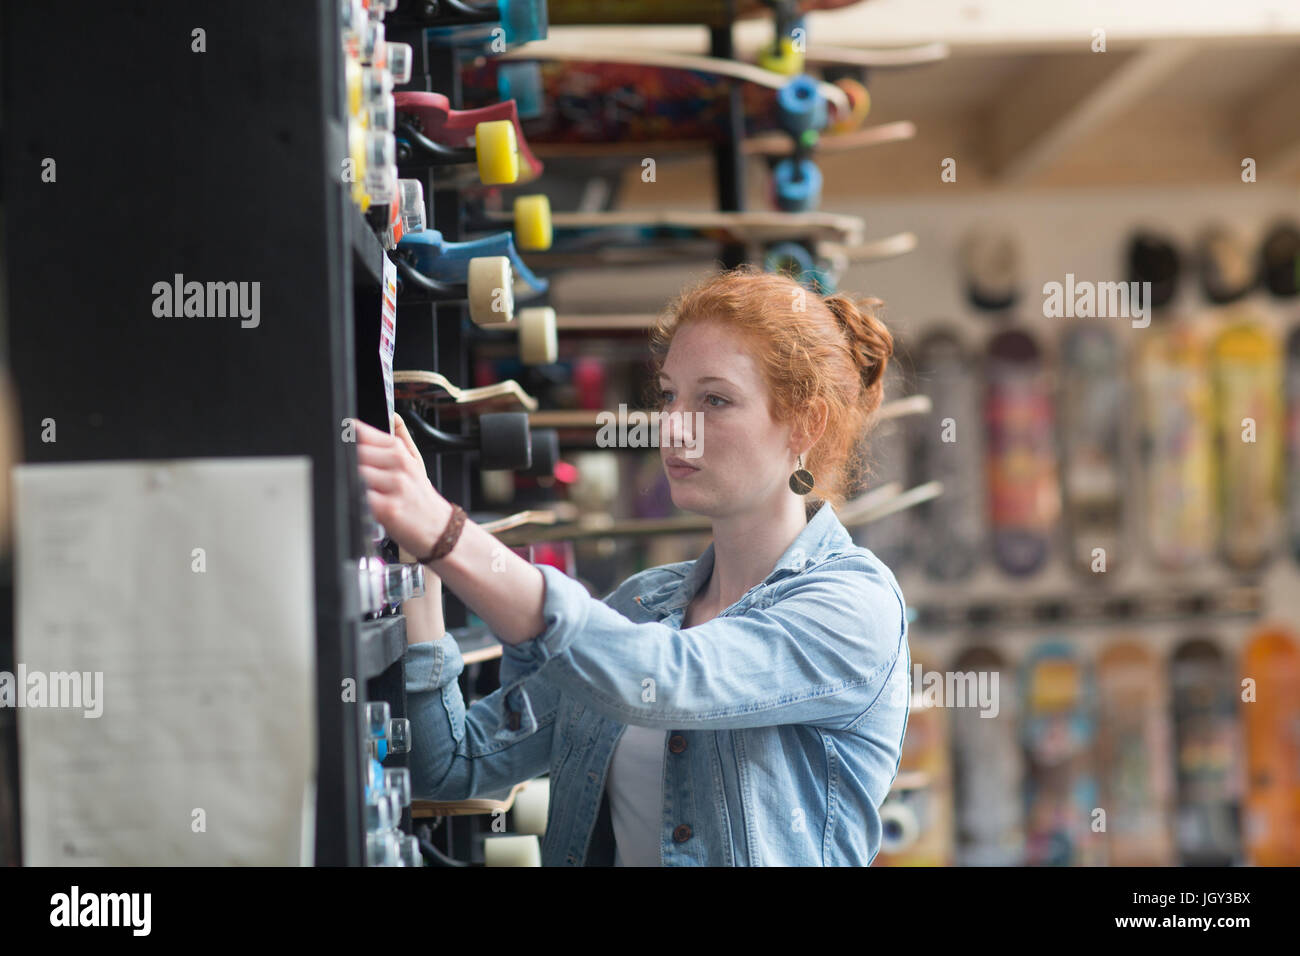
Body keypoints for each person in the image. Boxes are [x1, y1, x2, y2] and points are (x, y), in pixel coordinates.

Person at [354, 265, 911, 866]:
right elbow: (452, 766)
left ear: (804, 424)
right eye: (670, 395)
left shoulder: (854, 607)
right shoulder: (641, 605)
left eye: (714, 400)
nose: (674, 426)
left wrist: (447, 534)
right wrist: (420, 563)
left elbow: (667, 678)